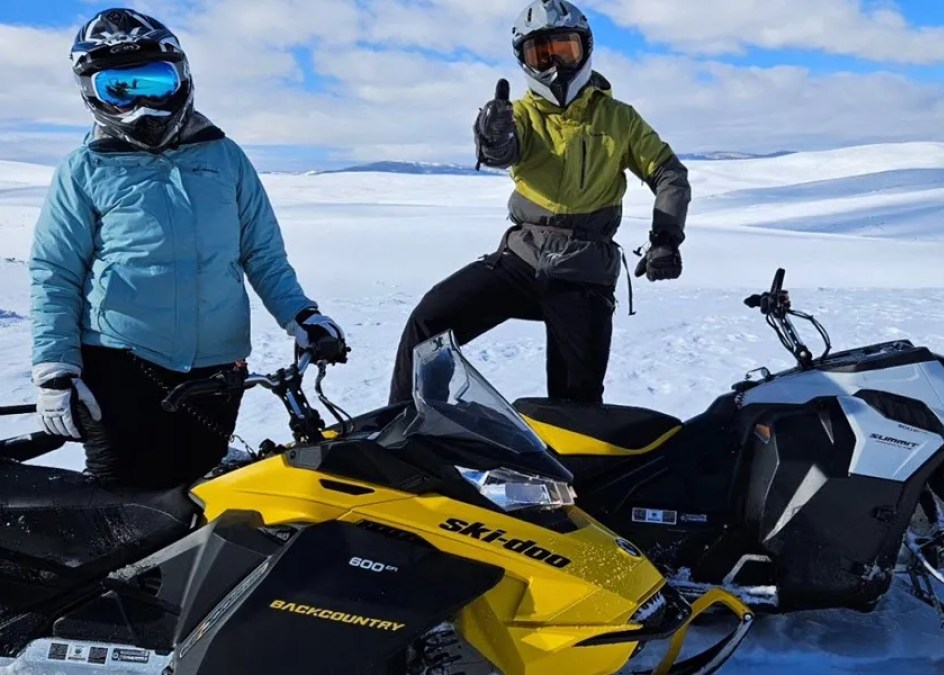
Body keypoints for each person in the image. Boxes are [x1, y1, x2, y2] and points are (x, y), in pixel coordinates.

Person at [30, 8, 347, 490]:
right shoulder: (83, 169)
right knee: (124, 501)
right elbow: (56, 272)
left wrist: (301, 315)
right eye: (119, 89)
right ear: (91, 93)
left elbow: (262, 253)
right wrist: (55, 369)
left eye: (154, 85)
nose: (142, 109)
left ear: (182, 79)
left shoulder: (225, 157)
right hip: (119, 363)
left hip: (218, 369)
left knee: (201, 492)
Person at [389, 0, 691, 407]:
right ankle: (406, 433)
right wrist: (491, 136)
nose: (555, 65)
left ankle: (580, 469)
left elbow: (669, 173)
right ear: (524, 60)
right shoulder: (522, 115)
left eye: (564, 50)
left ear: (585, 48)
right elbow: (503, 151)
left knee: (576, 402)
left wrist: (666, 238)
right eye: (541, 53)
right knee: (429, 323)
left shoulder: (620, 119)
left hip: (585, 269)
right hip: (521, 260)